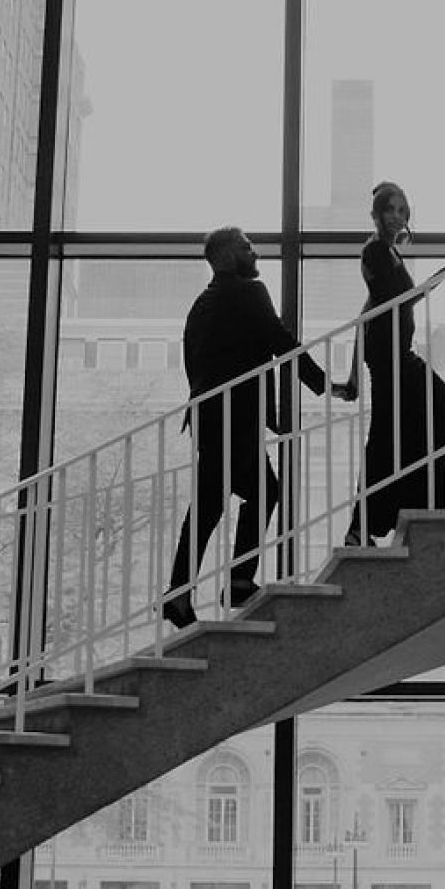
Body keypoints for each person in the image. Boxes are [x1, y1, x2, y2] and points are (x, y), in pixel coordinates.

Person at [165, 226, 329, 628]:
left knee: (210, 506)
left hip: (210, 417)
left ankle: (181, 594)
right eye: (245, 246)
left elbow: (197, 365)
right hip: (235, 418)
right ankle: (234, 581)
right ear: (223, 256)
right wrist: (325, 383)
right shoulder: (248, 293)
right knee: (263, 492)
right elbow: (280, 340)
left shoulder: (202, 303)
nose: (254, 252)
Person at [343, 180, 445, 545]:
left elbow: (367, 312)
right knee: (436, 412)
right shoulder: (376, 250)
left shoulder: (386, 252)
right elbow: (403, 299)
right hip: (390, 354)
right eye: (390, 209)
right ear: (377, 214)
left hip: (390, 350)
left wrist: (351, 371)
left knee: (396, 430)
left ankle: (384, 520)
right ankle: (401, 515)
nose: (397, 216)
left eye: (402, 210)